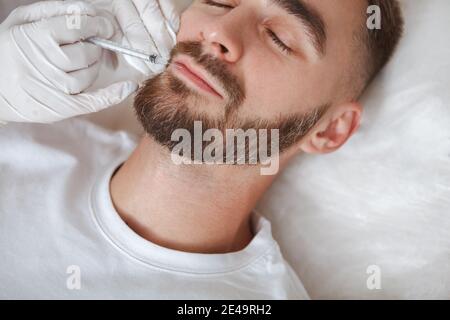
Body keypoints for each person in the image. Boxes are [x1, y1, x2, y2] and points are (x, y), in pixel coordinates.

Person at [0, 0, 403, 299]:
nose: (219, 32)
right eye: (219, 2)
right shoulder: (20, 130)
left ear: (331, 130)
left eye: (280, 38)